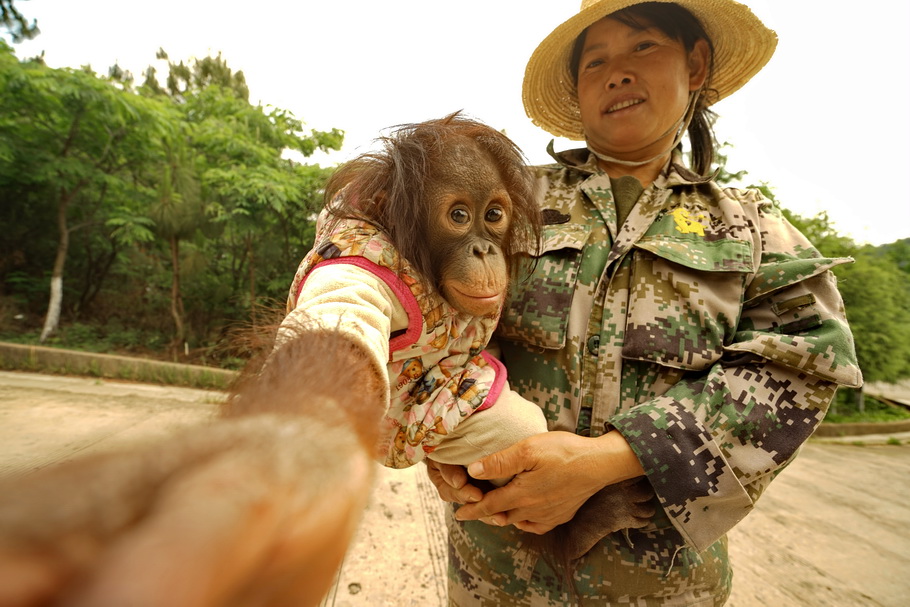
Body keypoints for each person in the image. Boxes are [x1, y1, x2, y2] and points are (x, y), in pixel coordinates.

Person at [425, 0, 863, 605]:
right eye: (595, 61)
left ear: (698, 63)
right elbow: (429, 319)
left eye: (643, 47)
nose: (618, 71)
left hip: (663, 584)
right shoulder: (503, 201)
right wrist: (438, 434)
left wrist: (610, 459)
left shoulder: (752, 228)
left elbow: (804, 361)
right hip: (496, 570)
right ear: (577, 95)